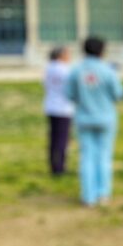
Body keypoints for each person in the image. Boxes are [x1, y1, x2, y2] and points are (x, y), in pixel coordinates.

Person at [65, 37, 123, 205]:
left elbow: (69, 94)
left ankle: (88, 196)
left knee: (87, 157)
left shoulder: (76, 70)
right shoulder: (108, 70)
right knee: (104, 156)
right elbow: (118, 94)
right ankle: (103, 194)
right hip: (106, 118)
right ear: (102, 51)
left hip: (83, 118)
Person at [43, 46, 74, 176]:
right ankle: (60, 167)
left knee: (53, 138)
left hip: (51, 106)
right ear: (61, 55)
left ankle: (53, 164)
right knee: (63, 139)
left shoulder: (49, 68)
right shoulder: (65, 70)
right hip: (64, 108)